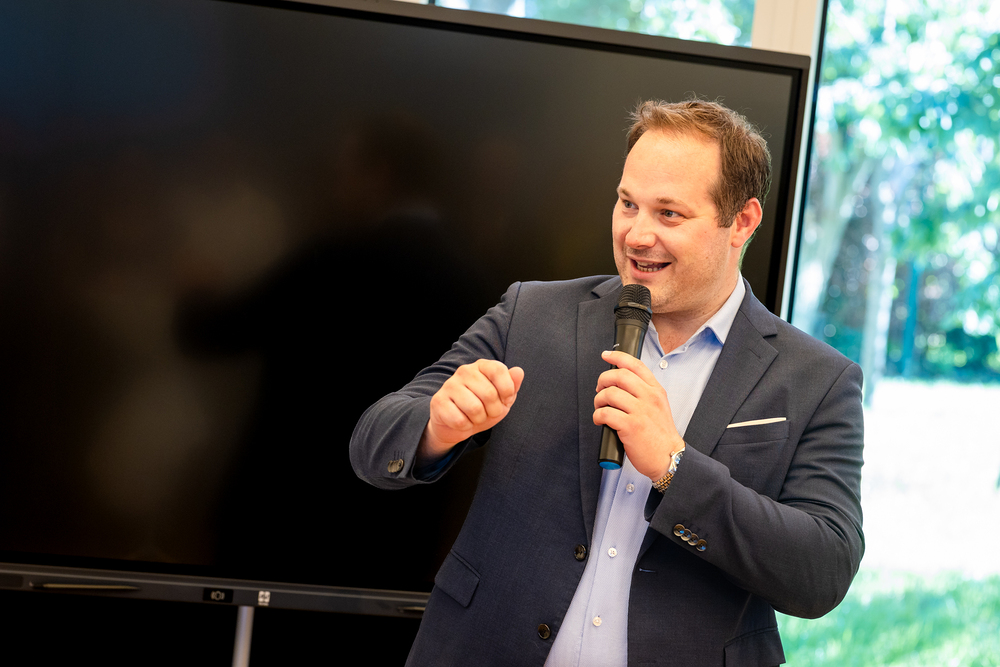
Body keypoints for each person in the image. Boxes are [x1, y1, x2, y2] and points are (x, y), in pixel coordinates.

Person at [350, 99, 864, 666]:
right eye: (628, 204)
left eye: (669, 214)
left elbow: (823, 572)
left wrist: (675, 467)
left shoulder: (819, 380)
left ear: (741, 221)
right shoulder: (531, 313)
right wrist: (435, 426)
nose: (637, 235)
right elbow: (373, 446)